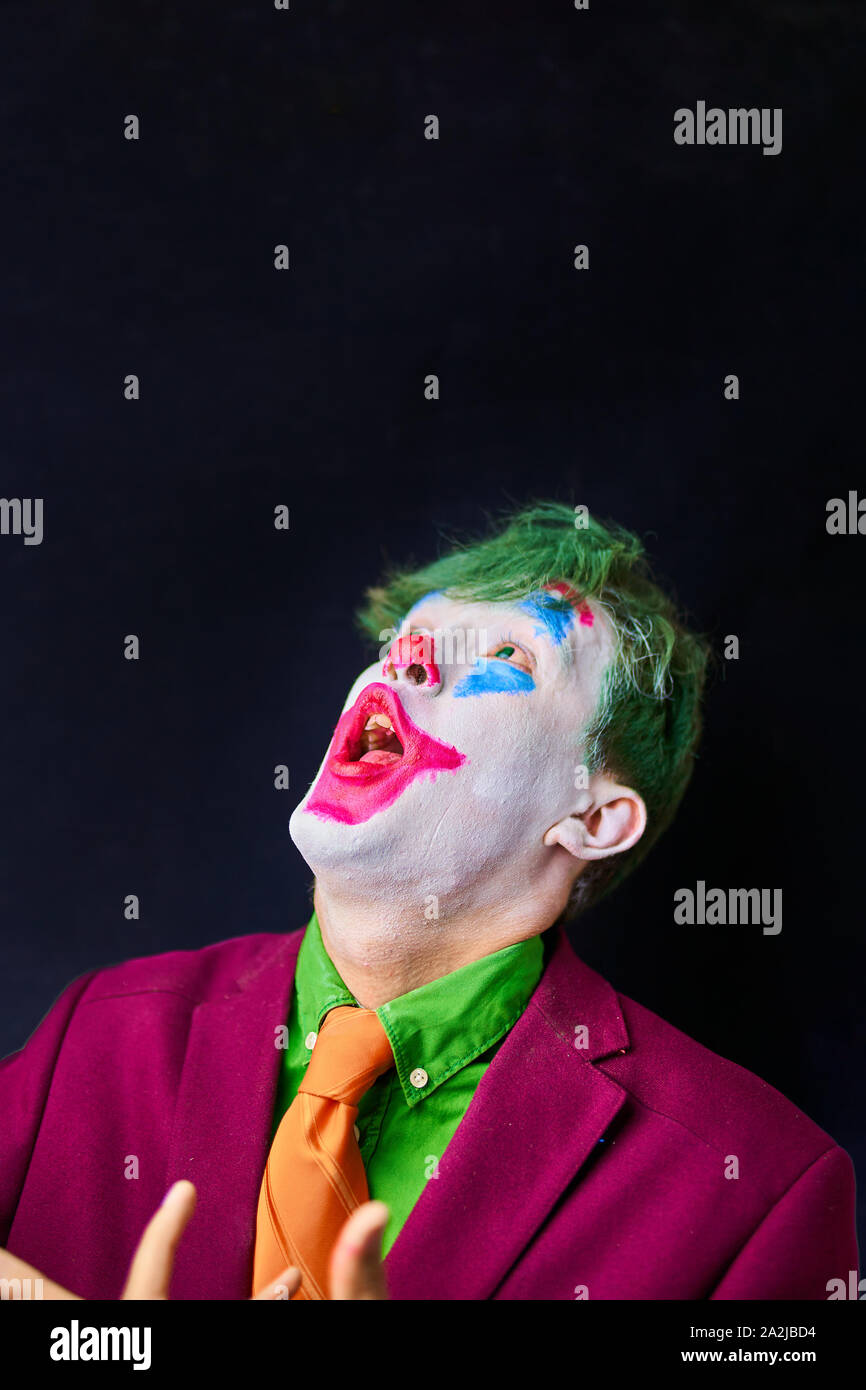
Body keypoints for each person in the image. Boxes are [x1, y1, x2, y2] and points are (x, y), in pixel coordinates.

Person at [0, 503, 858, 1300]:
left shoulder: (756, 1189)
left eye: (505, 654)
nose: (407, 658)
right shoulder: (99, 1029)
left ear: (593, 817)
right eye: (407, 638)